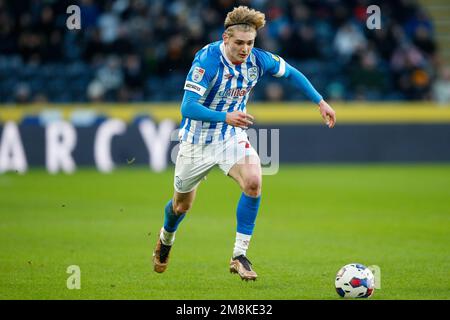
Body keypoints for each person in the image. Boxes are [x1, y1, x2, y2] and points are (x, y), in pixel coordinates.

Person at [152, 6, 336, 281]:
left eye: (250, 43)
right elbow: (187, 108)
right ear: (226, 38)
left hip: (230, 137)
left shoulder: (258, 60)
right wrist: (226, 116)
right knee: (181, 206)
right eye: (239, 42)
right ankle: (166, 240)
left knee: (253, 182)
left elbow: (292, 73)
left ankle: (239, 255)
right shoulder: (207, 61)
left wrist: (320, 101)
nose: (245, 49)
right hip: (195, 142)